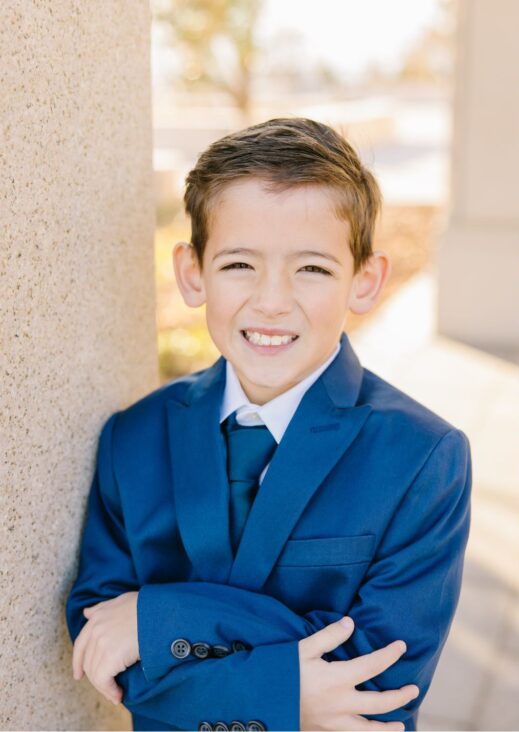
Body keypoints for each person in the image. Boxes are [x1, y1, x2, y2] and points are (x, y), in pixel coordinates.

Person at [64, 117, 472, 731]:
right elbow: (103, 645)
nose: (273, 300)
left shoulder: (424, 457)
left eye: (312, 269)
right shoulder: (134, 437)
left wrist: (159, 618)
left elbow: (379, 684)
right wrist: (291, 689)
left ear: (365, 283)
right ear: (192, 272)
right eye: (239, 266)